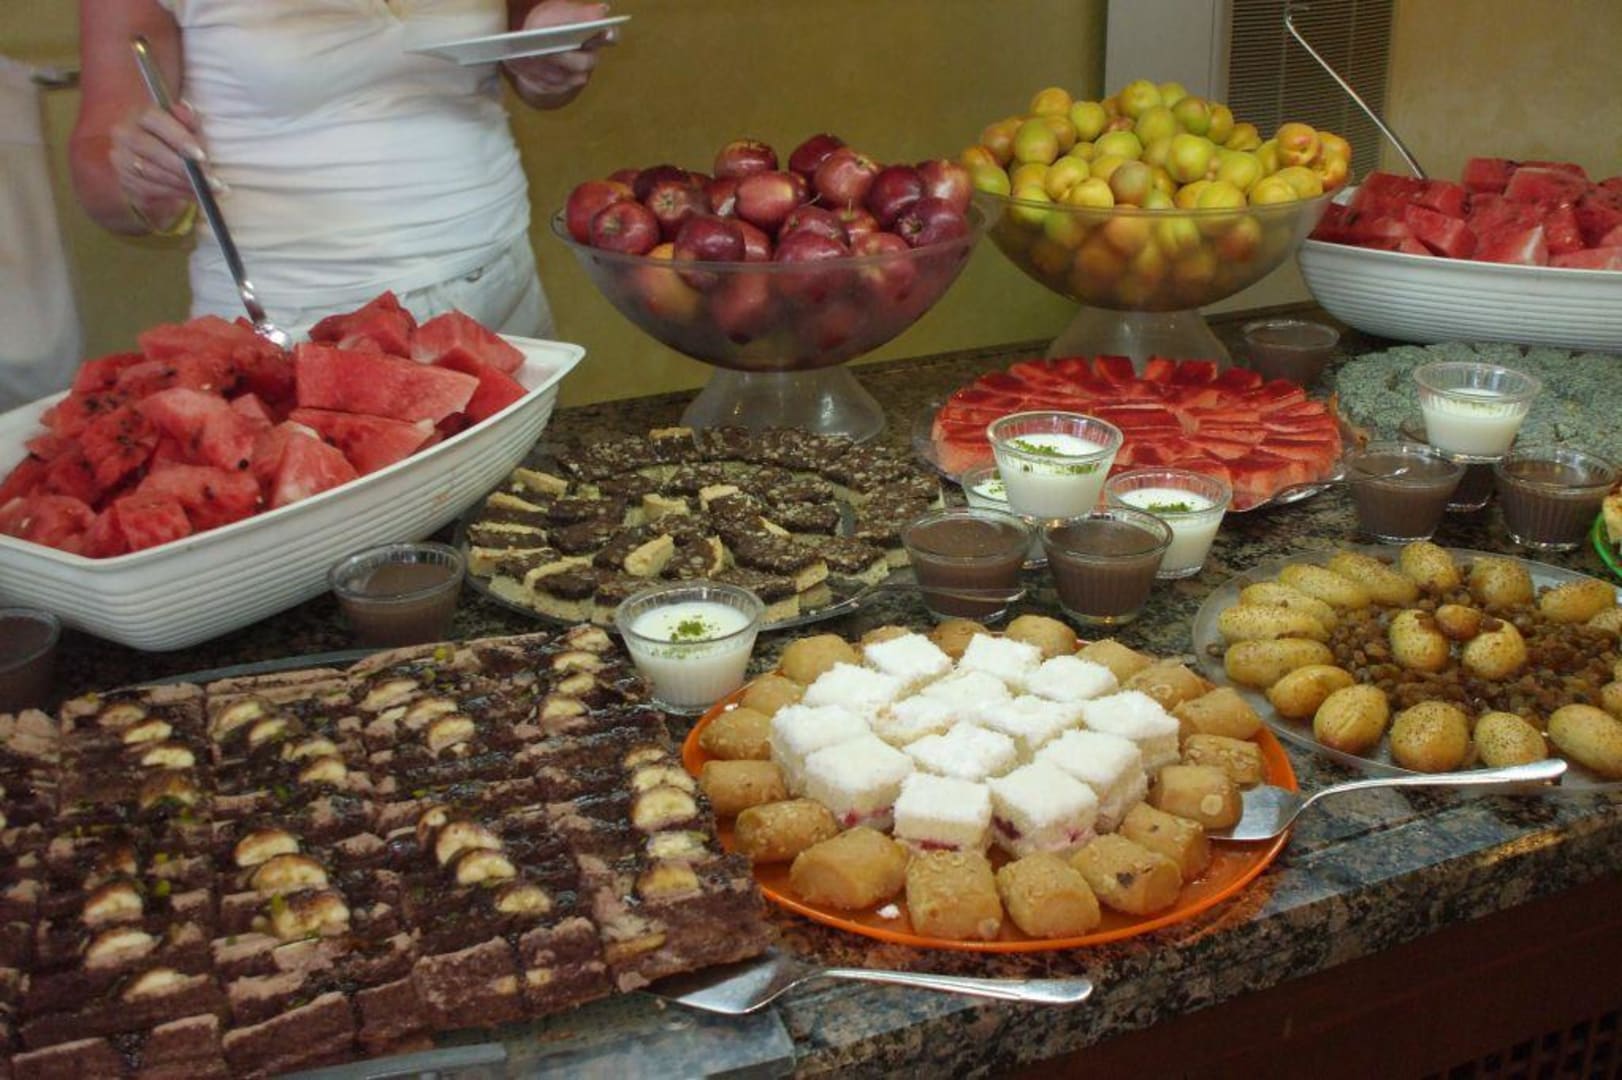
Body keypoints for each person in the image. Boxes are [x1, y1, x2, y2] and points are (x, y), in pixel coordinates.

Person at [70, 0, 617, 340]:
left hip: (500, 284)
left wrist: (548, 61)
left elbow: (525, 60)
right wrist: (140, 173)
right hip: (296, 320)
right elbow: (101, 168)